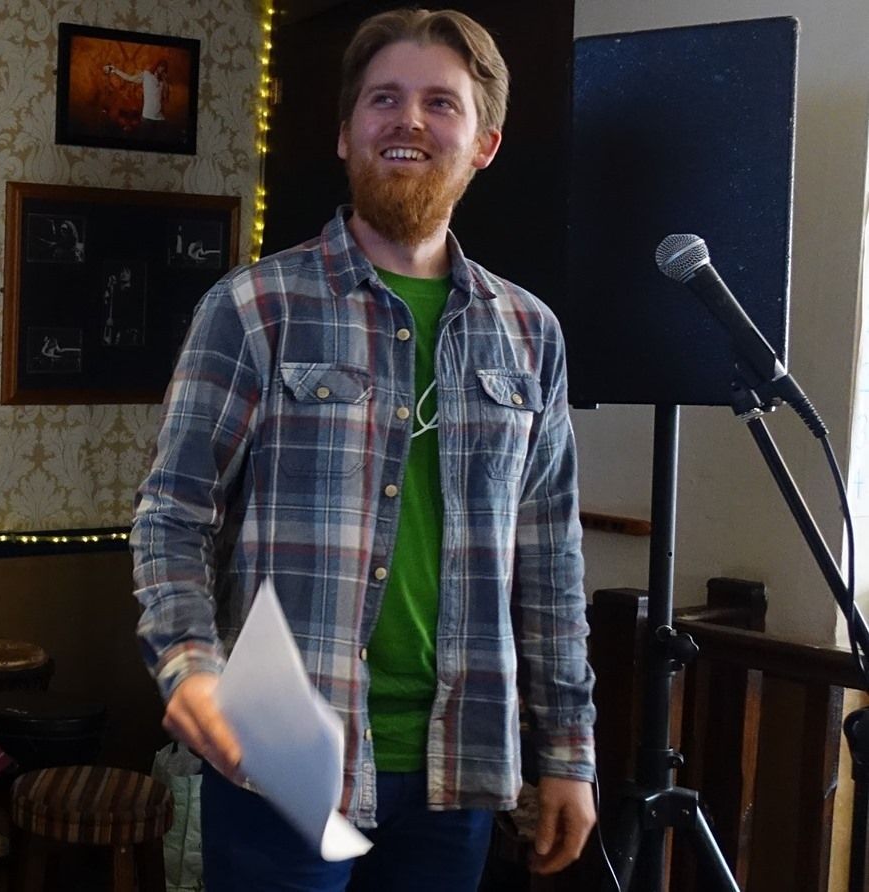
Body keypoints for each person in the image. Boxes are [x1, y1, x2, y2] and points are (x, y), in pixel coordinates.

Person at [131, 8, 596, 891]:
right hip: (280, 755)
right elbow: (173, 512)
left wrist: (569, 751)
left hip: (457, 765)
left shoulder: (532, 334)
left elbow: (552, 560)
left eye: (439, 103)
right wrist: (188, 663)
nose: (408, 121)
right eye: (384, 99)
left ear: (484, 142)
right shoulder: (254, 309)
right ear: (346, 135)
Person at [103, 59, 169, 129]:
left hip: (159, 117)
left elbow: (165, 97)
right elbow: (129, 78)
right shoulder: (146, 74)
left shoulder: (162, 82)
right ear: (156, 66)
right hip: (147, 116)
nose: (161, 69)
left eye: (163, 68)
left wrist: (165, 82)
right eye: (160, 66)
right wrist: (115, 70)